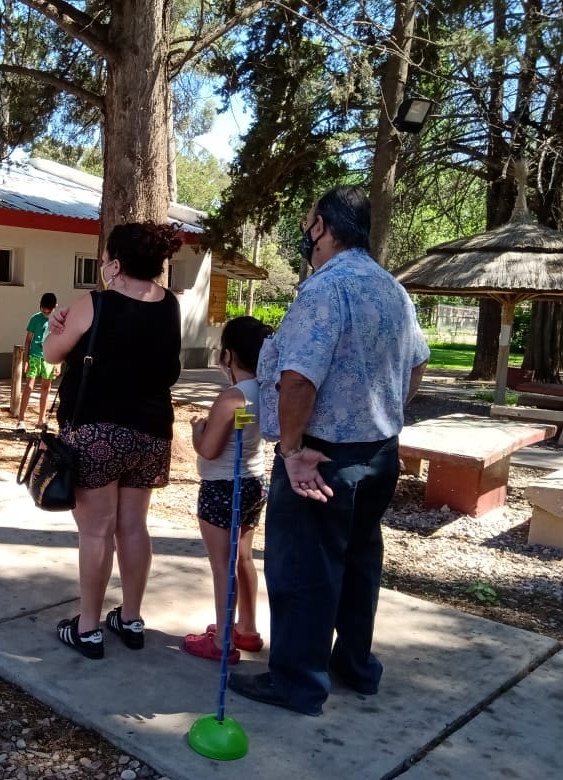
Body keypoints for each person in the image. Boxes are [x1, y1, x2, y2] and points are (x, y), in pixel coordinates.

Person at [229, 186, 429, 715]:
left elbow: (297, 382)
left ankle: (297, 682)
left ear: (322, 226)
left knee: (302, 569)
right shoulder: (392, 289)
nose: (304, 231)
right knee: (359, 562)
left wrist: (292, 452)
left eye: (307, 220)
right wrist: (378, 413)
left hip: (319, 458)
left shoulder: (326, 289)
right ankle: (354, 665)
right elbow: (417, 366)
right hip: (379, 451)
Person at [42, 222, 183, 660]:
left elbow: (50, 354)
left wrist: (54, 324)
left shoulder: (94, 302)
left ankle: (88, 627)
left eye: (106, 257)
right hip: (151, 432)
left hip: (98, 430)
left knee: (96, 531)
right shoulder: (171, 305)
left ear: (116, 263)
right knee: (134, 527)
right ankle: (132, 617)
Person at [183, 316, 273, 664]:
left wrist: (196, 432)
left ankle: (221, 640)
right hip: (253, 481)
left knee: (222, 564)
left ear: (228, 355)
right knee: (244, 558)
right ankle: (246, 629)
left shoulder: (231, 398)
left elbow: (209, 449)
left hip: (222, 485)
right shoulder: (266, 391)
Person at [15, 293, 59, 432]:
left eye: (48, 311)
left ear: (55, 308)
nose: (45, 313)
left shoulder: (58, 321)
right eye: (43, 310)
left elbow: (60, 342)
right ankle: (21, 420)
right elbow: (28, 340)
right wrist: (25, 359)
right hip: (34, 356)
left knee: (46, 389)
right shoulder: (35, 319)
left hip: (49, 358)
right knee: (28, 387)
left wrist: (58, 363)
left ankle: (41, 419)